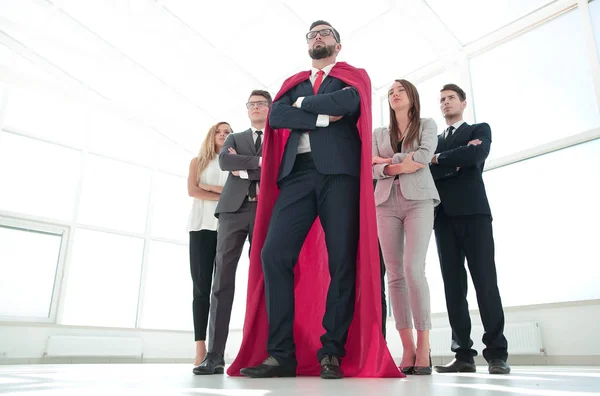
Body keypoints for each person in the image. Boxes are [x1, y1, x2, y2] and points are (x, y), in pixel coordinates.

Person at [228, 20, 401, 380]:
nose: (317, 38)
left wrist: (304, 107)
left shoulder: (353, 77)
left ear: (338, 45)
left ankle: (331, 353)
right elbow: (277, 114)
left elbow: (350, 103)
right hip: (297, 175)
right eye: (312, 35)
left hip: (340, 175)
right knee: (273, 254)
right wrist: (322, 116)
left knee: (341, 261)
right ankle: (281, 355)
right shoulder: (292, 85)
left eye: (325, 34)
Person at [430, 83, 510, 375]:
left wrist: (439, 160)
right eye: (441, 100)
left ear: (463, 103)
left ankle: (497, 354)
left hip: (475, 214)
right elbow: (427, 168)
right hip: (443, 218)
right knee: (453, 287)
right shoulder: (434, 138)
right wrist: (454, 161)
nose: (446, 103)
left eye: (451, 98)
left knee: (485, 283)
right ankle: (463, 354)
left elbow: (474, 157)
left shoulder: (479, 129)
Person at [193, 90, 270, 375]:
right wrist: (261, 163)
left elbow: (278, 168)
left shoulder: (279, 137)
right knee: (221, 280)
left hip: (265, 212)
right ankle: (213, 355)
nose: (255, 108)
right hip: (231, 212)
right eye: (251, 104)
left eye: (261, 103)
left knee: (263, 280)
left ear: (270, 108)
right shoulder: (234, 138)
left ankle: (259, 352)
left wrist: (246, 168)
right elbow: (226, 162)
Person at [372, 79, 440, 375]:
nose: (395, 94)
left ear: (412, 96)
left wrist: (387, 162)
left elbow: (424, 157)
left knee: (414, 269)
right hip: (385, 203)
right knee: (394, 275)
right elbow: (370, 167)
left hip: (419, 201)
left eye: (400, 90)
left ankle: (424, 344)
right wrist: (398, 164)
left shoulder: (427, 124)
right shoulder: (378, 133)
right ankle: (408, 347)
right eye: (390, 92)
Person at [187, 122, 231, 371]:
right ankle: (200, 346)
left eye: (227, 132)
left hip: (226, 227)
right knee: (201, 288)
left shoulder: (231, 162)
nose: (223, 135)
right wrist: (223, 194)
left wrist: (209, 188)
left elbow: (236, 192)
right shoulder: (197, 162)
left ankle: (216, 349)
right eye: (219, 131)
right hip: (201, 228)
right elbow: (192, 191)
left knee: (220, 289)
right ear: (211, 135)